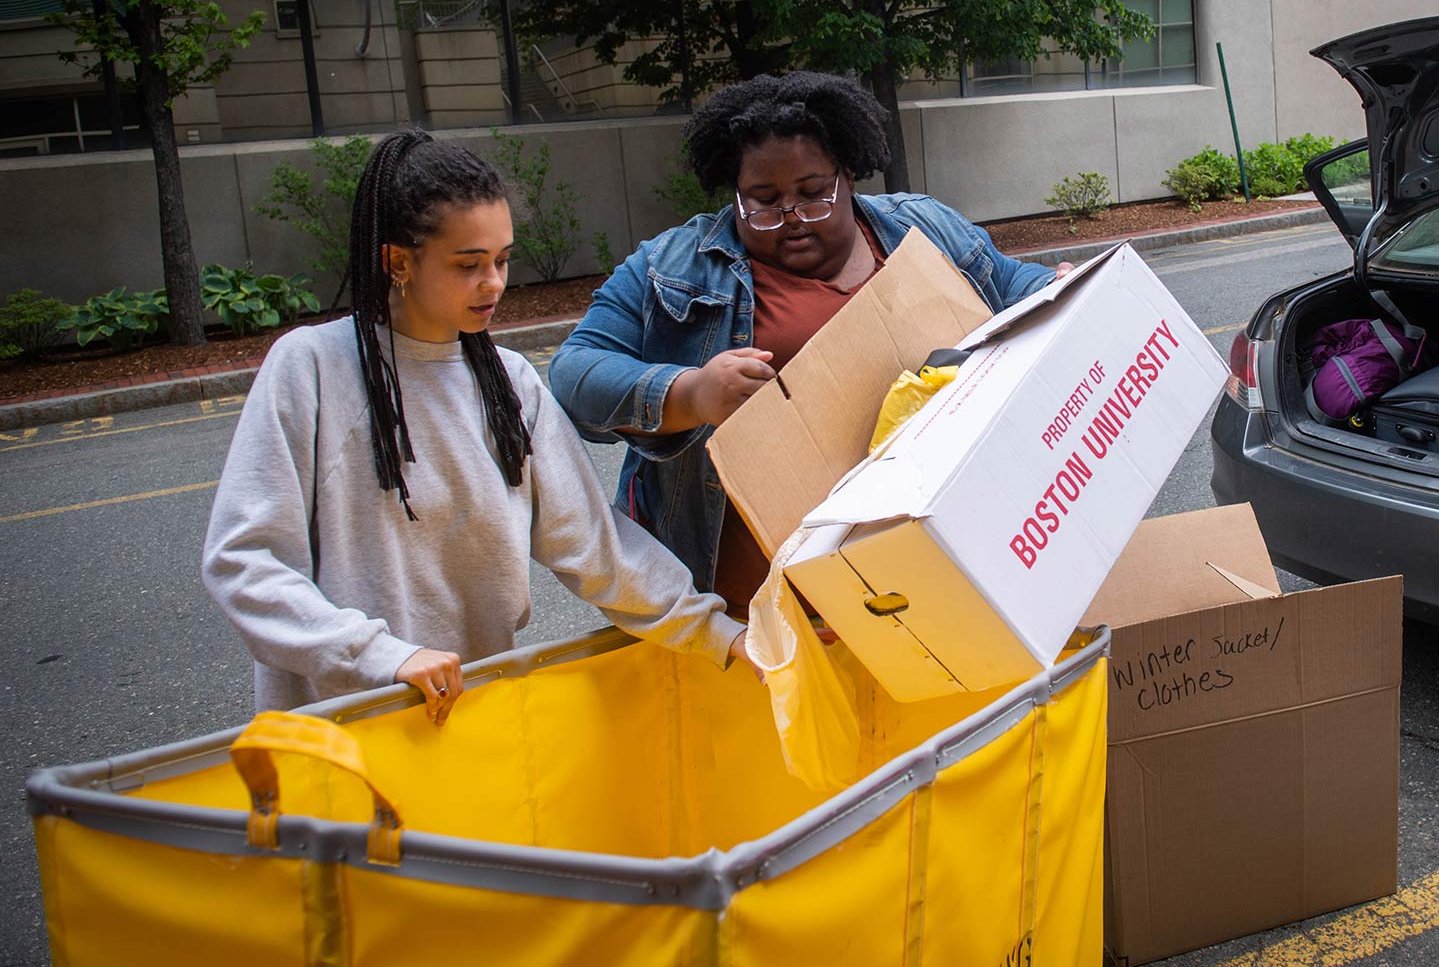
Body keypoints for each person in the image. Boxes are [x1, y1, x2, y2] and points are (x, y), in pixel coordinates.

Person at [202, 131, 746, 723]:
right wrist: (380, 654)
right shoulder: (310, 366)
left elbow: (599, 550)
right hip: (337, 736)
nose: (494, 283)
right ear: (398, 261)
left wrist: (721, 635)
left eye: (503, 259)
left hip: (467, 729)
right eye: (469, 264)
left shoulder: (508, 381)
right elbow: (246, 560)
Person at [551, 71, 1061, 616]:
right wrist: (690, 392)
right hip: (756, 603)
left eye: (814, 194)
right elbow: (573, 374)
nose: (791, 219)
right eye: (763, 202)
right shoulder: (671, 267)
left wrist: (1058, 287)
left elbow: (1008, 284)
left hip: (935, 564)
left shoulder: (921, 226)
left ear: (848, 176)